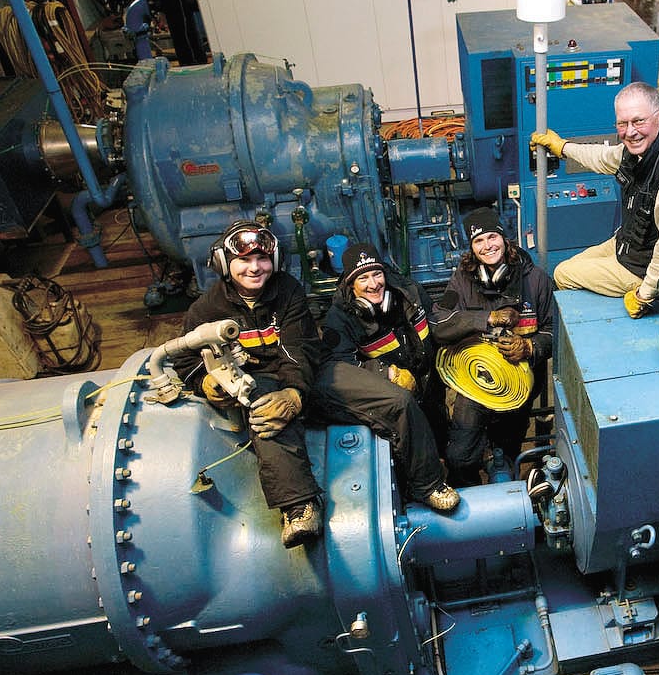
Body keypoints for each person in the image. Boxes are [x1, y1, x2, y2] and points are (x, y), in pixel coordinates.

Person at [177, 221, 458, 550]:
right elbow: (186, 360)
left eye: (262, 260)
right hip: (259, 382)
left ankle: (427, 483)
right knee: (267, 420)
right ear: (225, 264)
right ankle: (299, 506)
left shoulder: (288, 291)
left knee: (397, 401)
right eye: (244, 261)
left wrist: (295, 393)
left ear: (275, 261)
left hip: (307, 372)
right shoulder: (205, 310)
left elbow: (302, 347)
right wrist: (204, 381)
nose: (255, 268)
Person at [530, 81, 659, 318]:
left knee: (563, 274)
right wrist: (562, 147)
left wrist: (643, 295)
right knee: (573, 265)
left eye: (638, 121)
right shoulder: (642, 148)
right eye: (622, 123)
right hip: (630, 245)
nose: (630, 131)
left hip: (647, 270)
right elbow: (605, 158)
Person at [432, 208, 559, 486]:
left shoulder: (535, 280)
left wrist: (528, 347)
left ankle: (503, 475)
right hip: (474, 384)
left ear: (505, 238)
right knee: (460, 457)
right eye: (479, 241)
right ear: (472, 248)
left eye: (492, 237)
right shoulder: (462, 280)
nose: (487, 246)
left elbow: (554, 332)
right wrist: (484, 318)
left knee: (509, 451)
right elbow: (440, 324)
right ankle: (473, 500)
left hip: (519, 387)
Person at [321, 241, 448, 453]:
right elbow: (339, 369)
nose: (373, 284)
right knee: (409, 452)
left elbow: (437, 323)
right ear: (351, 285)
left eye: (377, 274)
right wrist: (385, 373)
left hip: (431, 391)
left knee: (441, 440)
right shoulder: (339, 319)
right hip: (393, 404)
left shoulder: (410, 292)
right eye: (363, 278)